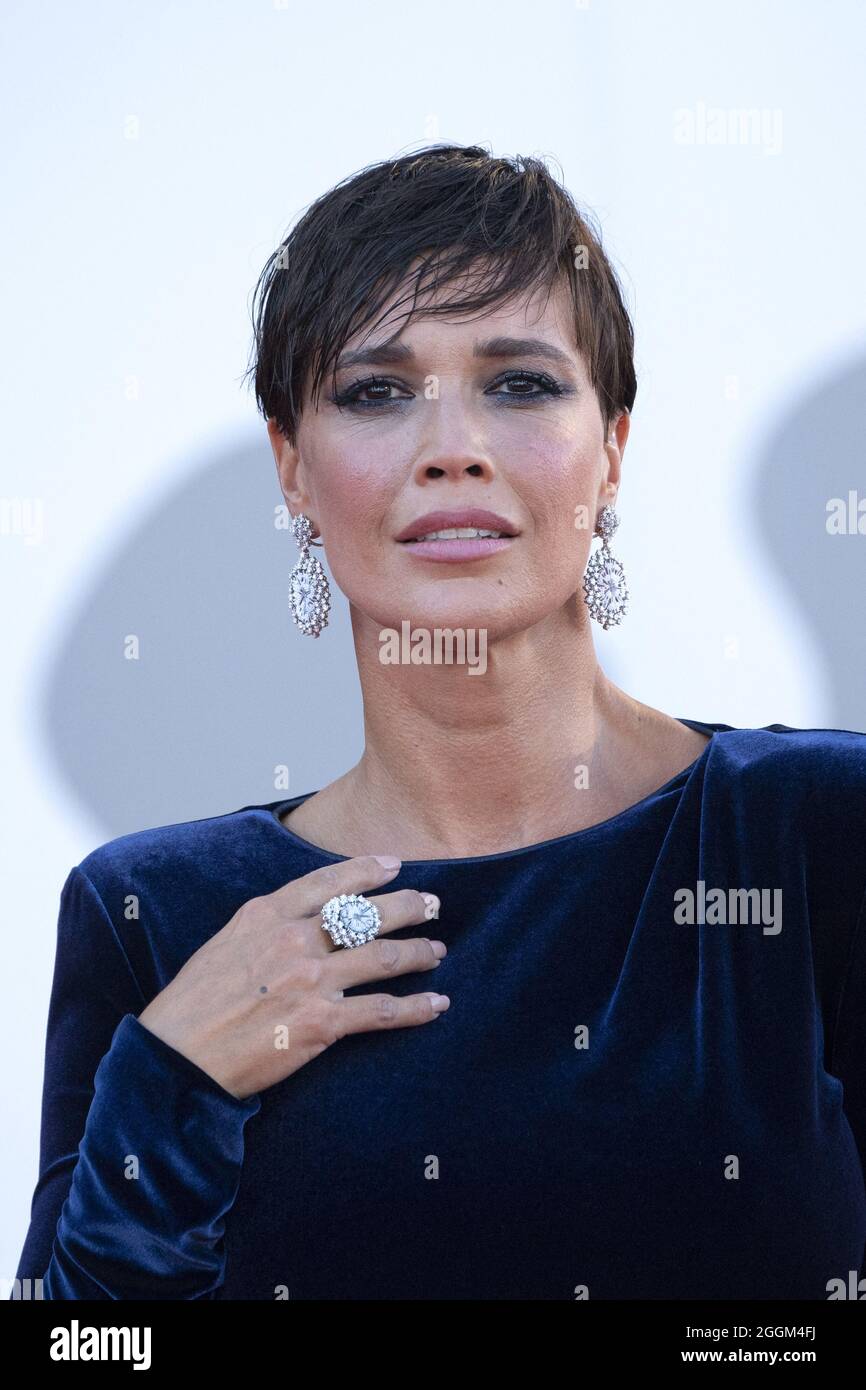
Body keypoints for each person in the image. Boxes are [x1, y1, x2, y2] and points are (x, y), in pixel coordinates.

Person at [13, 144, 866, 1300]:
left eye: (519, 382)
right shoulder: (155, 910)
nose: (449, 447)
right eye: (375, 391)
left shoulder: (815, 830)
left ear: (612, 447)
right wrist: (171, 1084)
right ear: (292, 473)